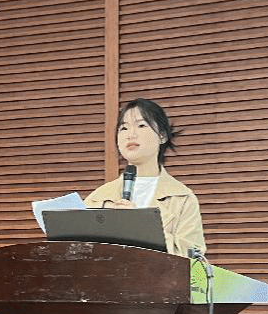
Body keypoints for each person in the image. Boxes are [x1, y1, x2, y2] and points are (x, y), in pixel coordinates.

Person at [85, 98, 206, 257]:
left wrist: (139, 226)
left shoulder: (182, 199)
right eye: (124, 128)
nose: (131, 135)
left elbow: (194, 259)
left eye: (141, 125)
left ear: (162, 136)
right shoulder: (97, 198)